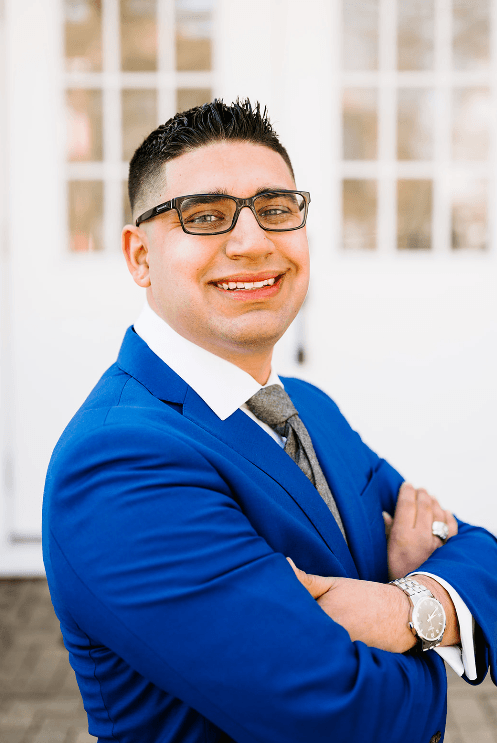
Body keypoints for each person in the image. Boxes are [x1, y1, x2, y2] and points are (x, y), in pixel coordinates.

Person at [42, 99, 496, 743]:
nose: (253, 241)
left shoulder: (308, 405)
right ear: (140, 256)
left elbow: (482, 554)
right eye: (204, 216)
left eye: (276, 209)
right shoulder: (120, 461)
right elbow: (344, 717)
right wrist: (441, 629)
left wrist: (402, 609)